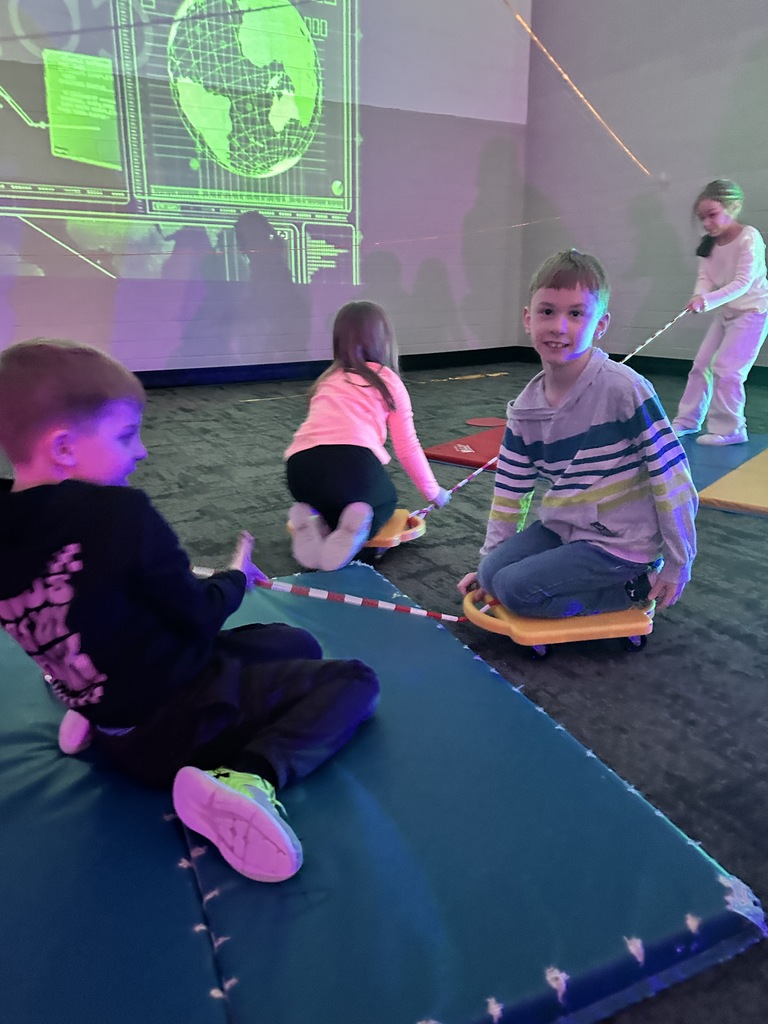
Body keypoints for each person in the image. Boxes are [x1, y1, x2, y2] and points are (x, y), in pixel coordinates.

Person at [0, 338, 380, 883]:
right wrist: (235, 577)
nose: (142, 452)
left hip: (112, 701)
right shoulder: (117, 516)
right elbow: (195, 612)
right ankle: (246, 778)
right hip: (174, 723)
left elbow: (74, 606)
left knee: (295, 643)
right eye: (126, 435)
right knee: (353, 681)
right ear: (63, 448)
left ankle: (85, 706)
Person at [458, 250, 698, 618]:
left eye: (576, 314)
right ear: (528, 319)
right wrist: (491, 562)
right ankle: (516, 576)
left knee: (515, 590)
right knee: (493, 574)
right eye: (547, 311)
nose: (558, 326)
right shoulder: (525, 409)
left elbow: (671, 475)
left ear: (600, 325)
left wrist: (679, 560)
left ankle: (629, 590)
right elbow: (510, 492)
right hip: (566, 527)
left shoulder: (624, 389)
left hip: (621, 543)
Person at [285, 300, 451, 571]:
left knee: (334, 500)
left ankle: (315, 518)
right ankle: (353, 531)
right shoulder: (388, 381)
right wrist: (433, 492)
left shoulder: (328, 380)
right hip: (353, 464)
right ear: (383, 340)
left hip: (299, 470)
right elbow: (407, 446)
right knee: (383, 501)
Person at [672, 179, 768, 446]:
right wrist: (697, 296)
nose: (706, 223)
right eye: (702, 217)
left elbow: (743, 283)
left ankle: (731, 429)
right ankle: (687, 421)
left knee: (727, 371)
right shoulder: (709, 245)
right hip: (725, 314)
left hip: (752, 314)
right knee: (701, 364)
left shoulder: (749, 238)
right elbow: (705, 278)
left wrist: (706, 300)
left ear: (733, 207)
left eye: (712, 214)